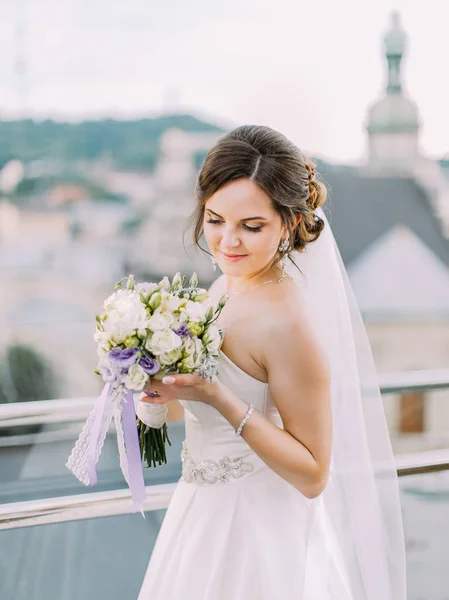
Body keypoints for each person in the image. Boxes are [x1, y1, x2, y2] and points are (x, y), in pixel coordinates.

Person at [136, 125, 406, 599]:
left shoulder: (286, 324)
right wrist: (155, 382)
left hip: (260, 535)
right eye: (216, 219)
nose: (227, 242)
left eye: (251, 226)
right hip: (200, 515)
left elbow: (313, 474)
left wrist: (218, 397)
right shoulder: (224, 288)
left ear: (291, 223)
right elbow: (193, 416)